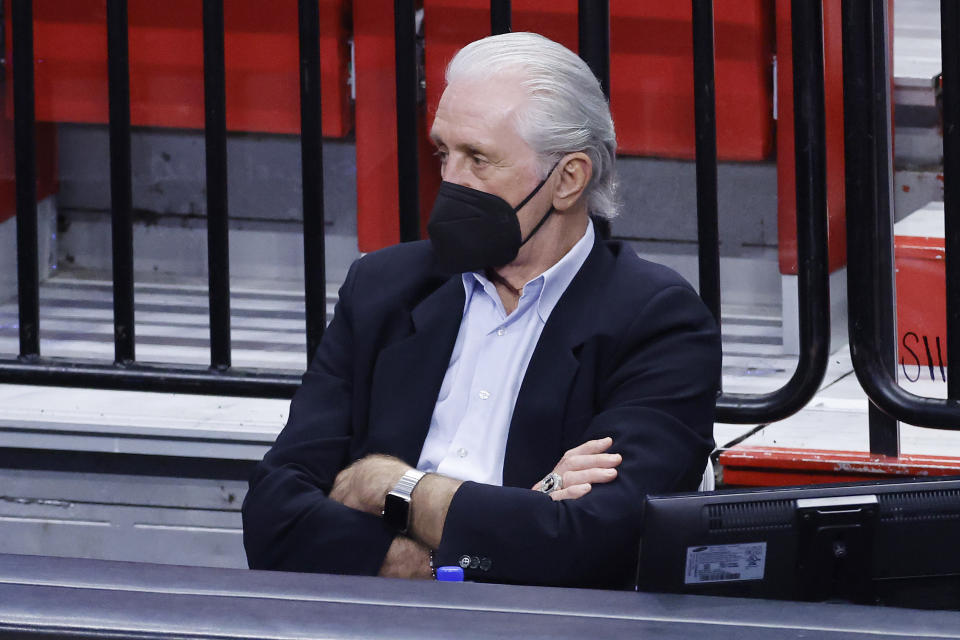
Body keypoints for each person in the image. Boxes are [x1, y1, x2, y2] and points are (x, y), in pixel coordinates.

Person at [242, 32, 720, 589]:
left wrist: (388, 484)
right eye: (445, 153)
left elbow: (594, 546)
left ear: (567, 180)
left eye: (478, 159)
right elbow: (274, 518)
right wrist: (508, 520)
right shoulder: (384, 289)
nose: (450, 181)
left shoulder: (656, 321)